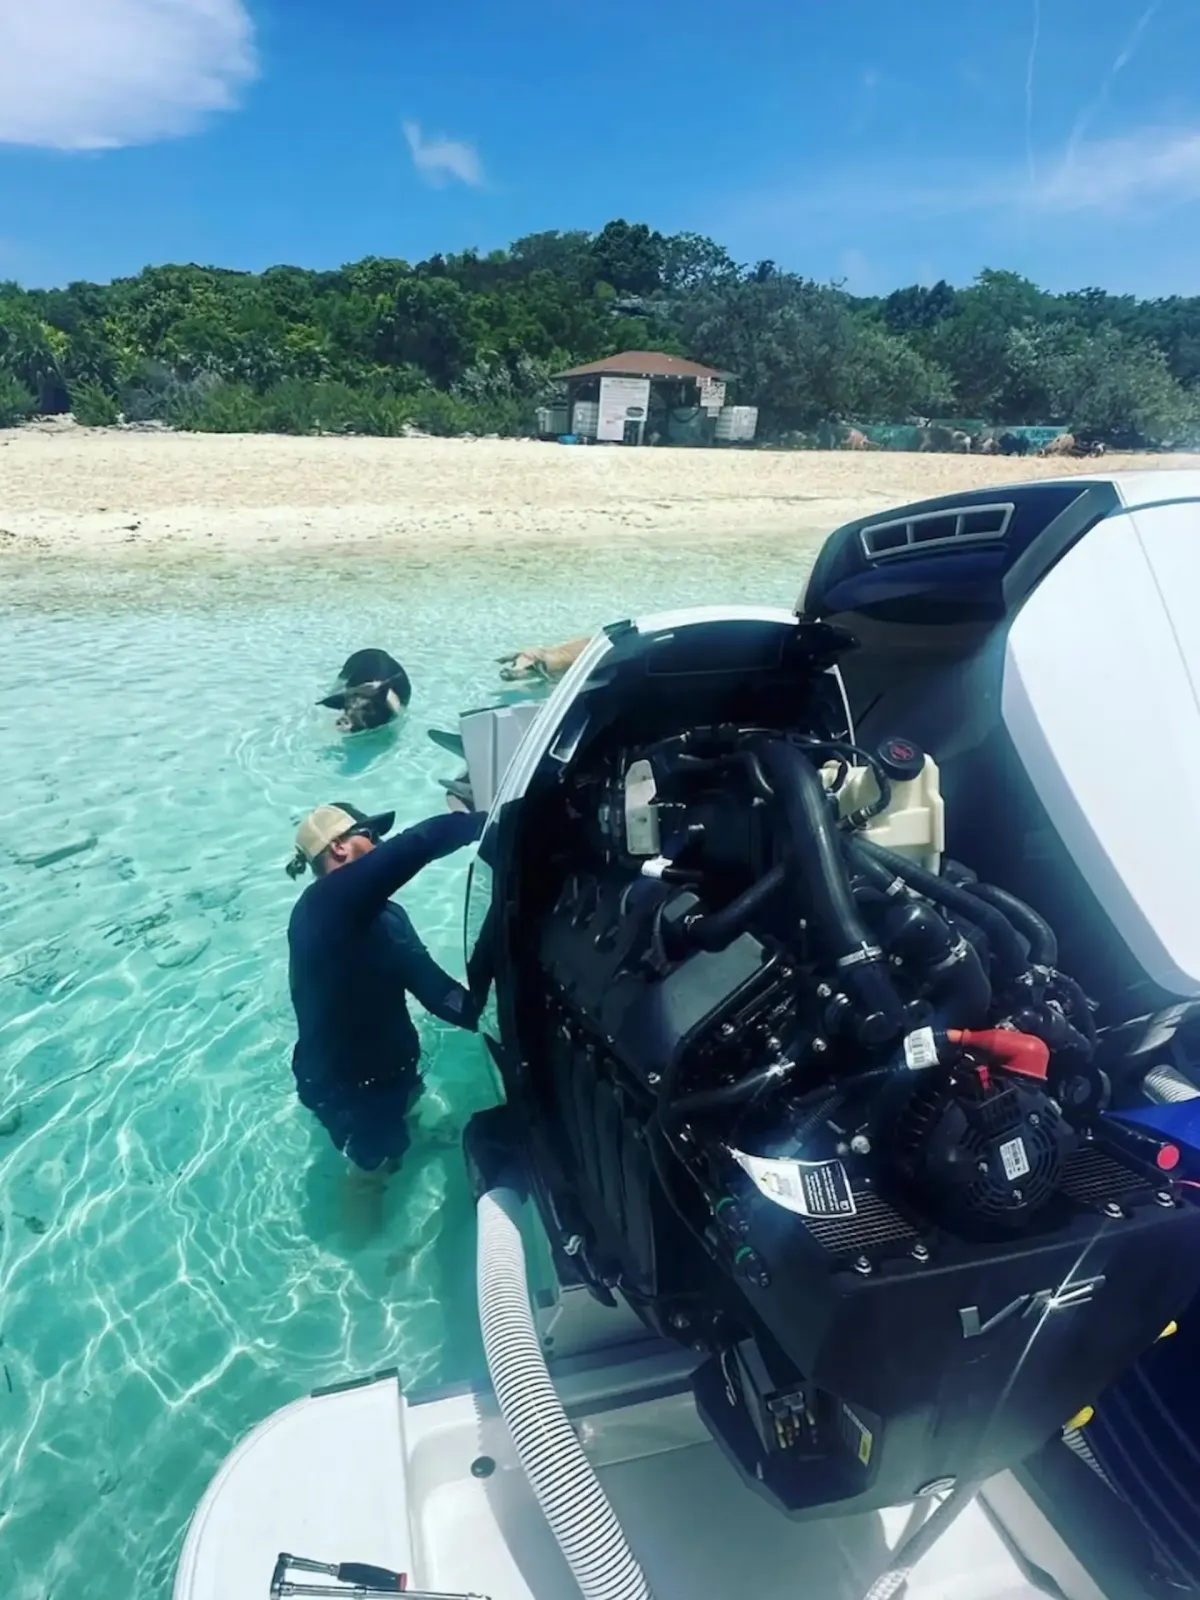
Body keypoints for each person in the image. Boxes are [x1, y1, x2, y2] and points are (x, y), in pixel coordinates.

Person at [285, 796, 485, 1179]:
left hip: (394, 1070)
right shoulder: (317, 910)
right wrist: (485, 819)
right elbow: (417, 844)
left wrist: (492, 1020)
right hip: (346, 1090)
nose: (377, 844)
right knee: (374, 1174)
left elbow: (437, 992)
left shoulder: (389, 918)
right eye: (369, 834)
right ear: (338, 846)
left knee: (403, 1123)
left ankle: (407, 1134)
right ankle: (366, 1239)